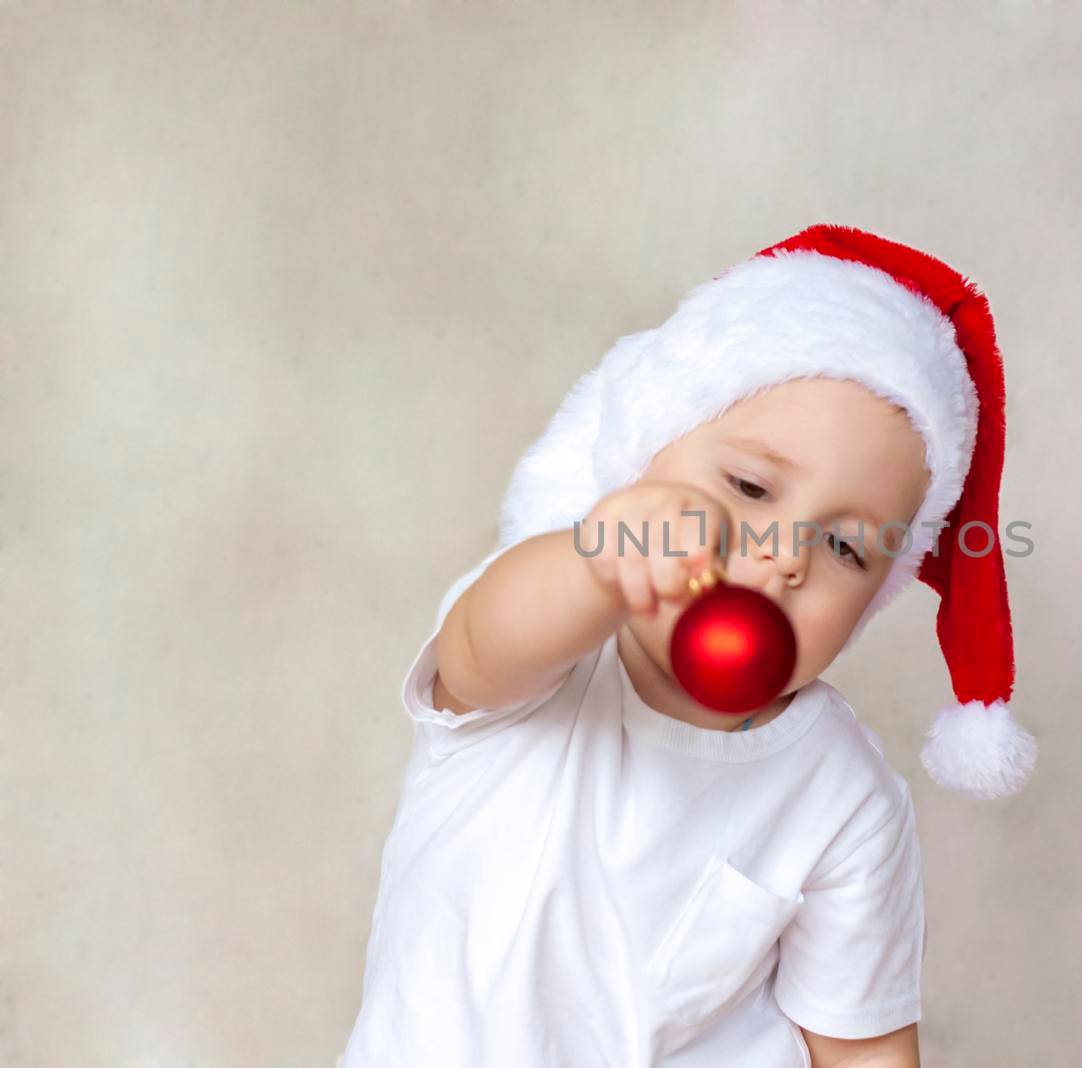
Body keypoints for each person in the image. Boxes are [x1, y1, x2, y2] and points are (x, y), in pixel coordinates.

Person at [339, 224, 1038, 1067]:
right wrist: (600, 563)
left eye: (846, 548)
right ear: (640, 459)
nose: (784, 555)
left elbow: (862, 1048)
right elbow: (480, 654)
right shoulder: (549, 653)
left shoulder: (846, 798)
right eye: (747, 487)